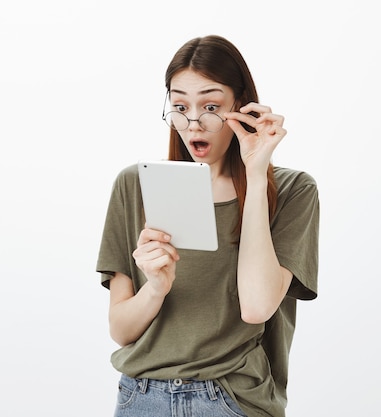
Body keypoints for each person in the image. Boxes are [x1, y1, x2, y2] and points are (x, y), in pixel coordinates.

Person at [95, 35, 319, 417]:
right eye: (180, 106)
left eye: (211, 106)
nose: (194, 123)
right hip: (141, 397)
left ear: (242, 107)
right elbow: (121, 329)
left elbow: (257, 306)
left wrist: (256, 170)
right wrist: (156, 289)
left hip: (232, 399)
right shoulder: (134, 185)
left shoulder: (293, 190)